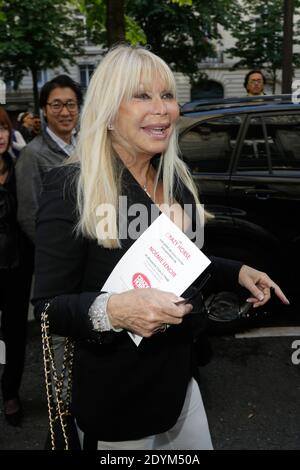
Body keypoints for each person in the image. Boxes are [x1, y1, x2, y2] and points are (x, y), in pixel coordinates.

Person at [33, 45, 289, 450]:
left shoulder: (176, 182)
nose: (162, 109)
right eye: (142, 95)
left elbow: (180, 262)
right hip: (119, 402)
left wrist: (236, 271)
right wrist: (114, 311)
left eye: (167, 95)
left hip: (183, 385)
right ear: (108, 110)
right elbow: (48, 307)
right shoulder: (71, 189)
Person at [16, 75, 82, 243]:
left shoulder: (85, 146)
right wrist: (53, 253)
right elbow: (28, 215)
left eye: (71, 104)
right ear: (44, 110)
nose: (65, 112)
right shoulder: (32, 154)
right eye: (56, 105)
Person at [0, 107, 33, 426]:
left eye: (3, 128)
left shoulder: (20, 166)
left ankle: (11, 392)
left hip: (17, 266)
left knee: (14, 334)